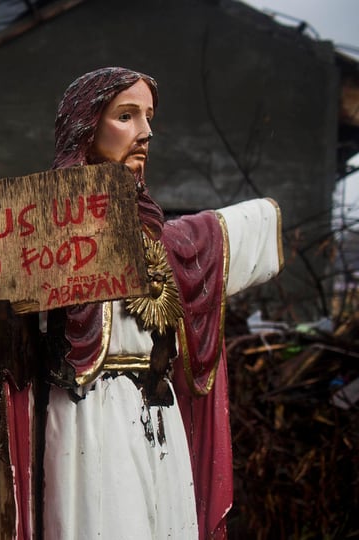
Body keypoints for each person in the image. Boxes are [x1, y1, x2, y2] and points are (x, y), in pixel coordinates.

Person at [42, 67, 283, 539]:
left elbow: (200, 241)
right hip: (92, 413)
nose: (146, 133)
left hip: (157, 408)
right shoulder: (47, 229)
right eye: (126, 116)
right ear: (85, 128)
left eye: (149, 118)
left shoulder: (158, 236)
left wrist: (257, 221)